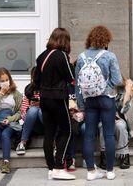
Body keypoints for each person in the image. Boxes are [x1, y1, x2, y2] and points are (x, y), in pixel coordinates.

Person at [75, 25, 123, 181]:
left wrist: (81, 105)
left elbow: (78, 85)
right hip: (106, 99)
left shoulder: (81, 57)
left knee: (89, 135)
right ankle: (109, 171)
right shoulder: (110, 56)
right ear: (106, 39)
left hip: (89, 101)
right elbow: (117, 80)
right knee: (108, 134)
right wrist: (105, 87)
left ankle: (90, 172)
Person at [32, 27, 76, 180]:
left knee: (49, 133)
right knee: (67, 130)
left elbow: (36, 80)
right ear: (65, 41)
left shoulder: (41, 56)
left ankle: (51, 167)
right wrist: (70, 64)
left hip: (44, 98)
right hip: (58, 98)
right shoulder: (62, 55)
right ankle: (59, 167)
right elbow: (71, 78)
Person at [99, 77, 133, 170]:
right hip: (102, 118)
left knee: (121, 126)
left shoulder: (123, 91)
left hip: (119, 118)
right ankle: (104, 155)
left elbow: (122, 110)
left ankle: (124, 155)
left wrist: (127, 93)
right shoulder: (101, 88)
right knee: (103, 126)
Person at [0, 67, 23, 174]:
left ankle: (6, 162)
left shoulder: (15, 93)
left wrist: (10, 119)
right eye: (2, 81)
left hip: (10, 121)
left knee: (5, 135)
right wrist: (0, 94)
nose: (5, 83)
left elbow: (20, 112)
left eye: (7, 80)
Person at [16, 67, 43, 156]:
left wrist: (42, 104)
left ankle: (55, 144)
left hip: (47, 123)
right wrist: (30, 107)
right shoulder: (29, 90)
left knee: (39, 111)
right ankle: (23, 142)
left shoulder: (48, 90)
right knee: (33, 110)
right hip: (33, 125)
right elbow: (23, 113)